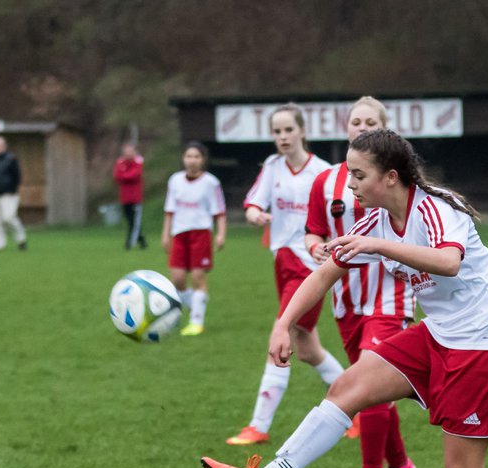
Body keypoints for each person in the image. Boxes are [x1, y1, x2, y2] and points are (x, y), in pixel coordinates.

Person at [202, 129, 488, 468]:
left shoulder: (438, 208)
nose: (347, 183)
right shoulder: (376, 221)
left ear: (390, 177)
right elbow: (326, 272)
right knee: (346, 386)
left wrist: (379, 245)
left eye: (358, 174)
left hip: (485, 344)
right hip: (438, 335)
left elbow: (448, 263)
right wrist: (285, 323)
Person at [305, 97, 416, 468]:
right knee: (373, 390)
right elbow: (313, 230)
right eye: (356, 121)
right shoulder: (325, 183)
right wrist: (315, 247)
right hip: (346, 299)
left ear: (387, 132)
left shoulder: (397, 183)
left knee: (368, 381)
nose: (362, 127)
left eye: (371, 122)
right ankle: (401, 464)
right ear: (346, 128)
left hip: (391, 294)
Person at [225, 103, 344, 445]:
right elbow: (252, 205)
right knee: (307, 349)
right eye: (276, 132)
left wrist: (325, 244)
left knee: (280, 336)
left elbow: (336, 217)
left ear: (302, 132)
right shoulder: (273, 167)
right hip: (282, 262)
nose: (282, 137)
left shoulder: (323, 172)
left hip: (309, 270)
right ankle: (362, 409)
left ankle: (259, 426)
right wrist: (254, 216)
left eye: (288, 130)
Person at [163, 141, 226, 336]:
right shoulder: (174, 180)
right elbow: (169, 210)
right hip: (179, 233)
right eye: (189, 156)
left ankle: (196, 322)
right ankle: (195, 306)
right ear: (183, 159)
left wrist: (221, 233)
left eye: (196, 157)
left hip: (201, 233)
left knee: (198, 277)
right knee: (178, 279)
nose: (192, 161)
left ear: (203, 160)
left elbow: (220, 212)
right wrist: (166, 234)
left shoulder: (211, 183)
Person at [0, 134, 27, 251]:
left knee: (8, 217)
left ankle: (21, 237)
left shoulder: (11, 159)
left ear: (4, 146)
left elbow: (17, 176)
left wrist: (12, 189)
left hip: (8, 195)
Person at [113, 142, 148, 250]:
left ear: (134, 152)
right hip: (125, 198)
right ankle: (142, 241)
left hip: (135, 198)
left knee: (134, 222)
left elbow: (134, 175)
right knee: (131, 221)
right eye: (126, 152)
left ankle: (129, 244)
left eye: (130, 151)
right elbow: (117, 176)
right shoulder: (120, 162)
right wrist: (125, 176)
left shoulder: (138, 162)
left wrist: (124, 175)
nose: (128, 154)